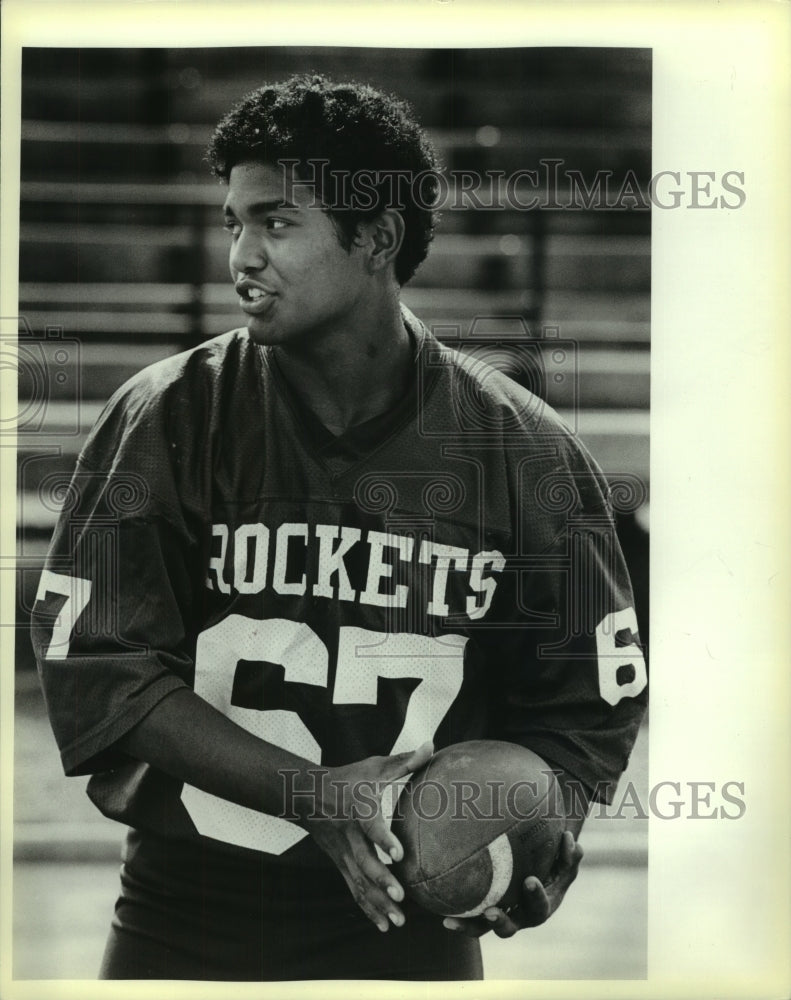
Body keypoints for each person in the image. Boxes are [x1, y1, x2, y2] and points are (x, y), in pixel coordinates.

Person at [31, 74, 647, 981]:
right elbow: (103, 671)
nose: (241, 254)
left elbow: (583, 709)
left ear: (376, 238)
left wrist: (537, 831)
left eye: (276, 223)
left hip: (410, 930)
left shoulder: (522, 452)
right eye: (233, 223)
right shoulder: (168, 415)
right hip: (189, 908)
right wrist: (308, 794)